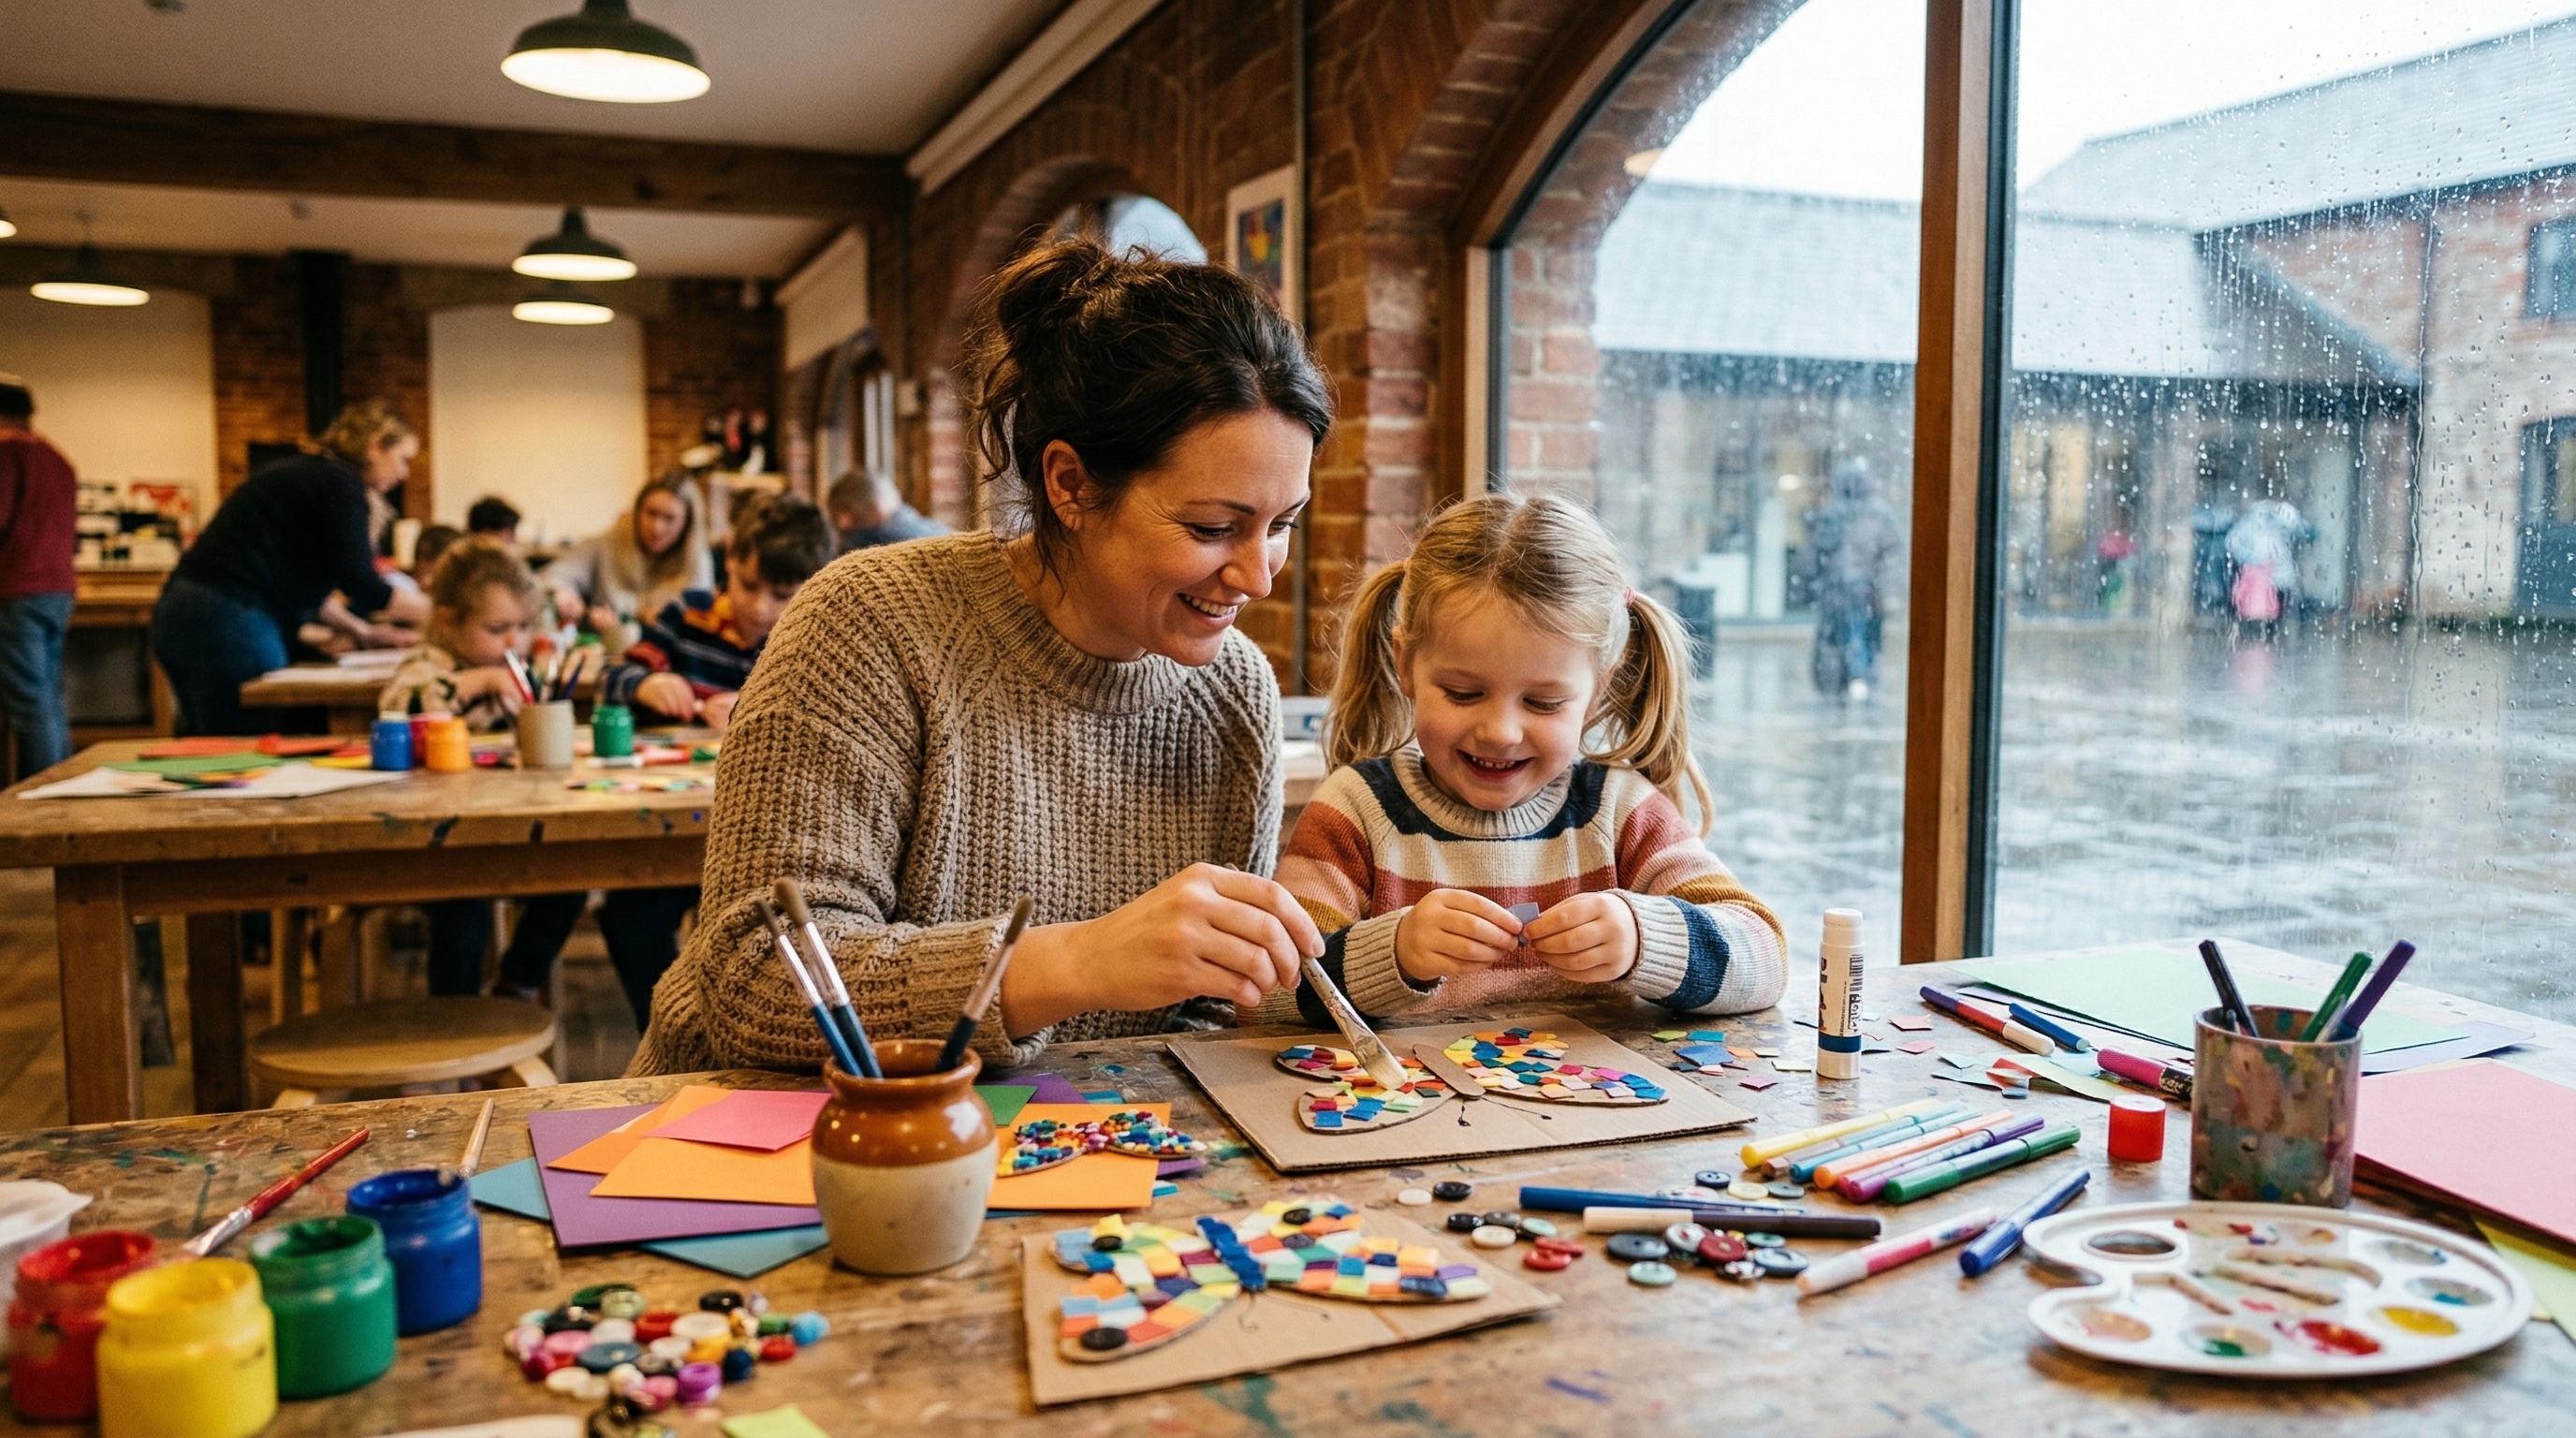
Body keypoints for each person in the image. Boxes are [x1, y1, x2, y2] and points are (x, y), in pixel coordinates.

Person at [623, 238, 1330, 1077]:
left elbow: (1209, 1014)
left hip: (1059, 1135)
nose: (1258, 576)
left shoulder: (1234, 689)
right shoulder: (870, 622)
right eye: (1213, 527)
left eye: (1282, 524)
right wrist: (1078, 963)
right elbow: (757, 983)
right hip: (760, 1128)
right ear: (1069, 484)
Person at [1251, 494, 1784, 1028]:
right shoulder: (1355, 811)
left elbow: (1766, 958)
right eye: (1462, 693)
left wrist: (1644, 939)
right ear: (1405, 665)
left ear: (1597, 692)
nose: (1500, 732)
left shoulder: (1621, 811)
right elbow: (1265, 997)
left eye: (1543, 703)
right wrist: (1396, 953)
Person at [373, 539, 583, 996]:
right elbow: (400, 706)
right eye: (497, 628)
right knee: (462, 913)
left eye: (523, 626)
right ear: (448, 621)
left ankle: (517, 983)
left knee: (573, 879)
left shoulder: (521, 671)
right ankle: (458, 1019)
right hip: (440, 840)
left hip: (513, 826)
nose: (514, 641)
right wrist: (475, 682)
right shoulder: (428, 664)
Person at [150, 399, 429, 736]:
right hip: (228, 618)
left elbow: (306, 591)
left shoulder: (310, 476)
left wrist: (363, 632)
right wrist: (444, 612)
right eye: (403, 459)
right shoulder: (340, 483)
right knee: (245, 744)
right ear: (375, 445)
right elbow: (363, 584)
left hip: (186, 611)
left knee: (210, 743)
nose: (404, 473)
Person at [599, 495, 834, 733]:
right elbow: (609, 678)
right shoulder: (688, 614)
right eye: (748, 586)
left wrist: (759, 716)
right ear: (730, 557)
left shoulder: (808, 648)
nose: (759, 608)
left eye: (781, 596)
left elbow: (828, 724)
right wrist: (644, 684)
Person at [541, 473, 710, 657]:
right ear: (637, 511)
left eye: (669, 518)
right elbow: (550, 577)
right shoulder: (607, 544)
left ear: (687, 523)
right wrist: (562, 592)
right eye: (651, 513)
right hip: (608, 657)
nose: (657, 527)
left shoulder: (697, 564)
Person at [0, 374, 77, 780]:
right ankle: (59, 781)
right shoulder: (56, 458)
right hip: (58, 589)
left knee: (29, 703)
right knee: (48, 698)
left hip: (16, 588)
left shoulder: (5, 452)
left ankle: (42, 794)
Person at [1793, 458, 1901, 700]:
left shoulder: (1834, 512)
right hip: (1865, 591)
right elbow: (1890, 554)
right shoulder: (1880, 513)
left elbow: (1817, 552)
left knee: (1839, 637)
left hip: (1840, 590)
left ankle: (1843, 681)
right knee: (1864, 637)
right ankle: (1861, 680)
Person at [827, 467, 947, 551]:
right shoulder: (935, 530)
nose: (841, 524)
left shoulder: (870, 543)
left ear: (846, 514)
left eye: (836, 515)